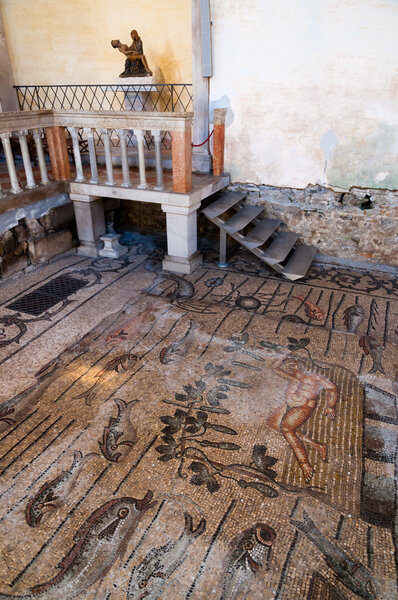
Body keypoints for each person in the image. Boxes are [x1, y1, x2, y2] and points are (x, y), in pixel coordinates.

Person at [266, 357, 339, 483]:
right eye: (288, 365)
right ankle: (318, 446)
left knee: (286, 429)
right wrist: (282, 357)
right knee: (272, 423)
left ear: (301, 365)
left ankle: (304, 463)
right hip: (290, 404)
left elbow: (332, 387)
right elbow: (274, 369)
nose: (291, 367)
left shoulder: (314, 377)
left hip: (304, 406)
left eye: (293, 364)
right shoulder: (292, 377)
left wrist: (330, 406)